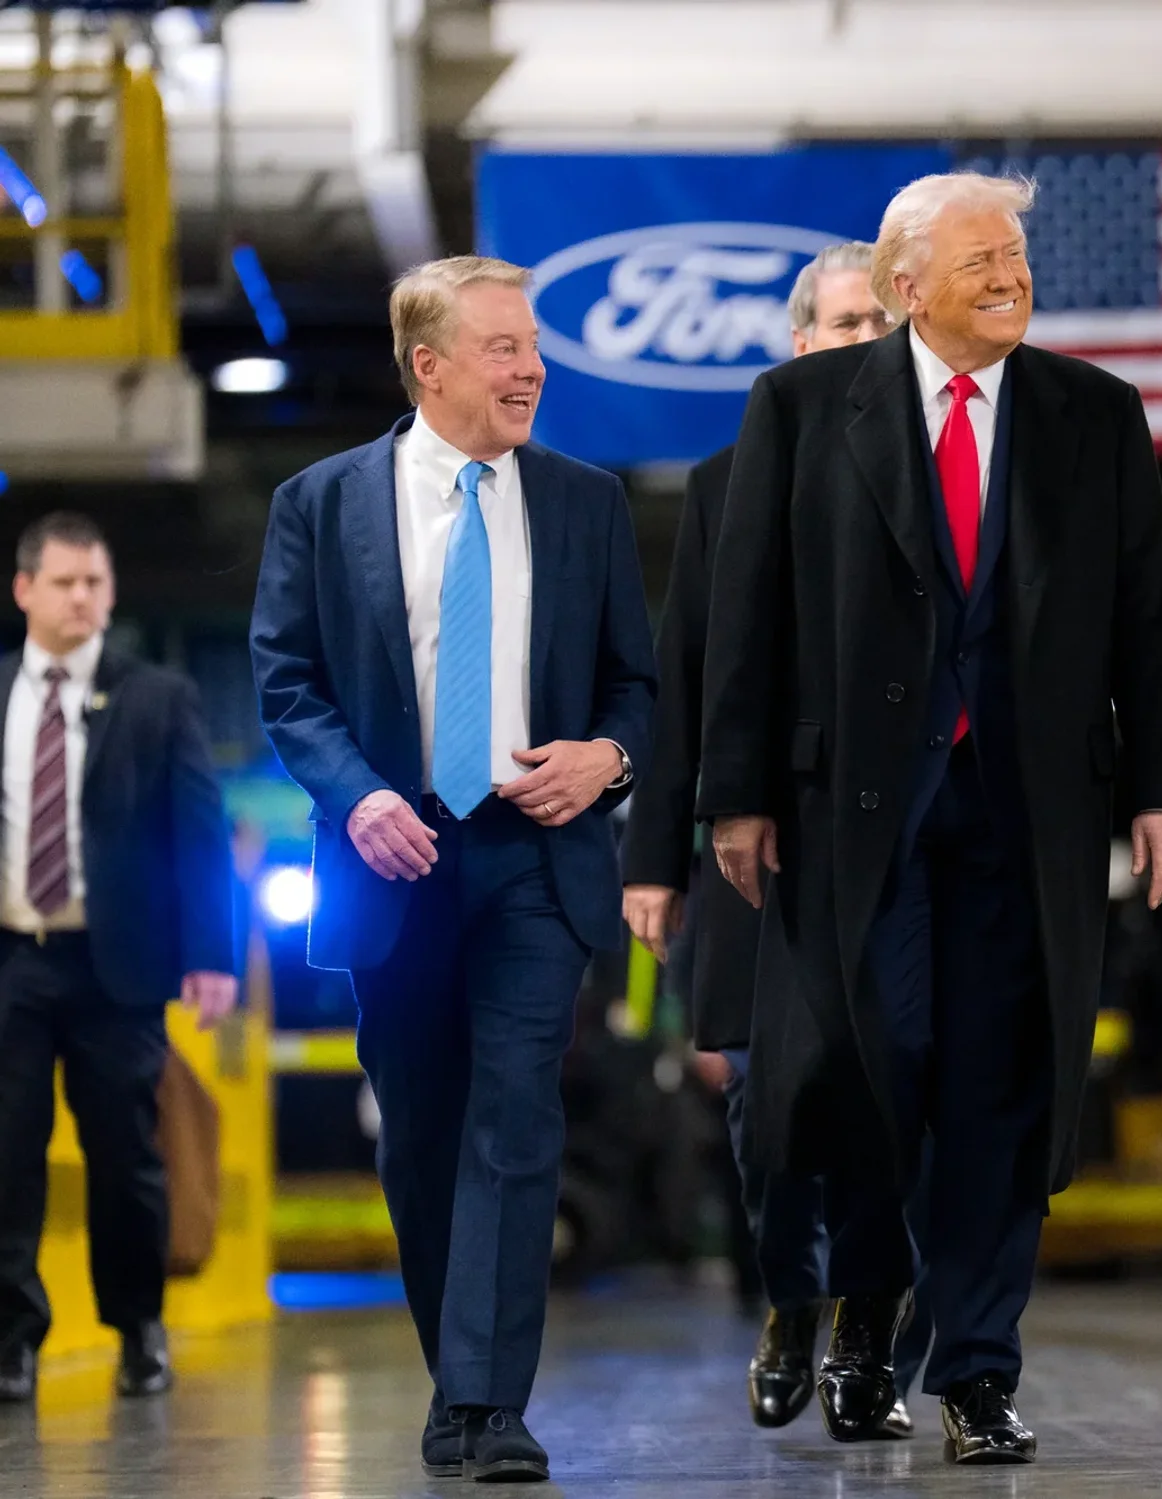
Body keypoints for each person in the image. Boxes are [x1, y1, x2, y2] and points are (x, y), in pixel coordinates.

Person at [698, 171, 1162, 1465]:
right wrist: (737, 795)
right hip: (850, 815)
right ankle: (866, 1316)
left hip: (1029, 811)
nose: (1007, 276)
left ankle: (978, 1370)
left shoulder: (1096, 414)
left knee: (1006, 1085)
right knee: (875, 1070)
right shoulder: (801, 410)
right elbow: (744, 616)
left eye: (1016, 255)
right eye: (979, 258)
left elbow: (1147, 620)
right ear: (907, 283)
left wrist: (1161, 788)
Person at [250, 256, 655, 1483]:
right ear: (428, 366)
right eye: (502, 348)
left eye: (531, 346)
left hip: (536, 857)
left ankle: (487, 1404)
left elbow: (637, 682)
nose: (530, 368)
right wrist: (359, 795)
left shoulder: (585, 501)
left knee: (514, 1113)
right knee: (422, 1132)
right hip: (395, 856)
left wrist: (608, 755)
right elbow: (287, 680)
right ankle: (459, 1383)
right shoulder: (321, 503)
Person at [619, 243, 927, 1437]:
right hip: (760, 841)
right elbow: (687, 676)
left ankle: (862, 1327)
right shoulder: (726, 479)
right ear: (799, 342)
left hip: (897, 850)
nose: (857, 340)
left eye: (875, 322)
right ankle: (790, 1298)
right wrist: (654, 855)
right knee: (765, 1109)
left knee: (883, 1099)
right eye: (839, 322)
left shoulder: (943, 483)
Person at [0, 512, 237, 1406]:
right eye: (64, 582)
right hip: (13, 961)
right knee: (8, 1155)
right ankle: (13, 1341)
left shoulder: (156, 696)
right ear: (25, 589)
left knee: (125, 1156)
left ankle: (139, 1330)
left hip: (119, 966)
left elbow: (200, 835)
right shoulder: (2, 696)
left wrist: (209, 952)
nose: (83, 597)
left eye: (95, 582)